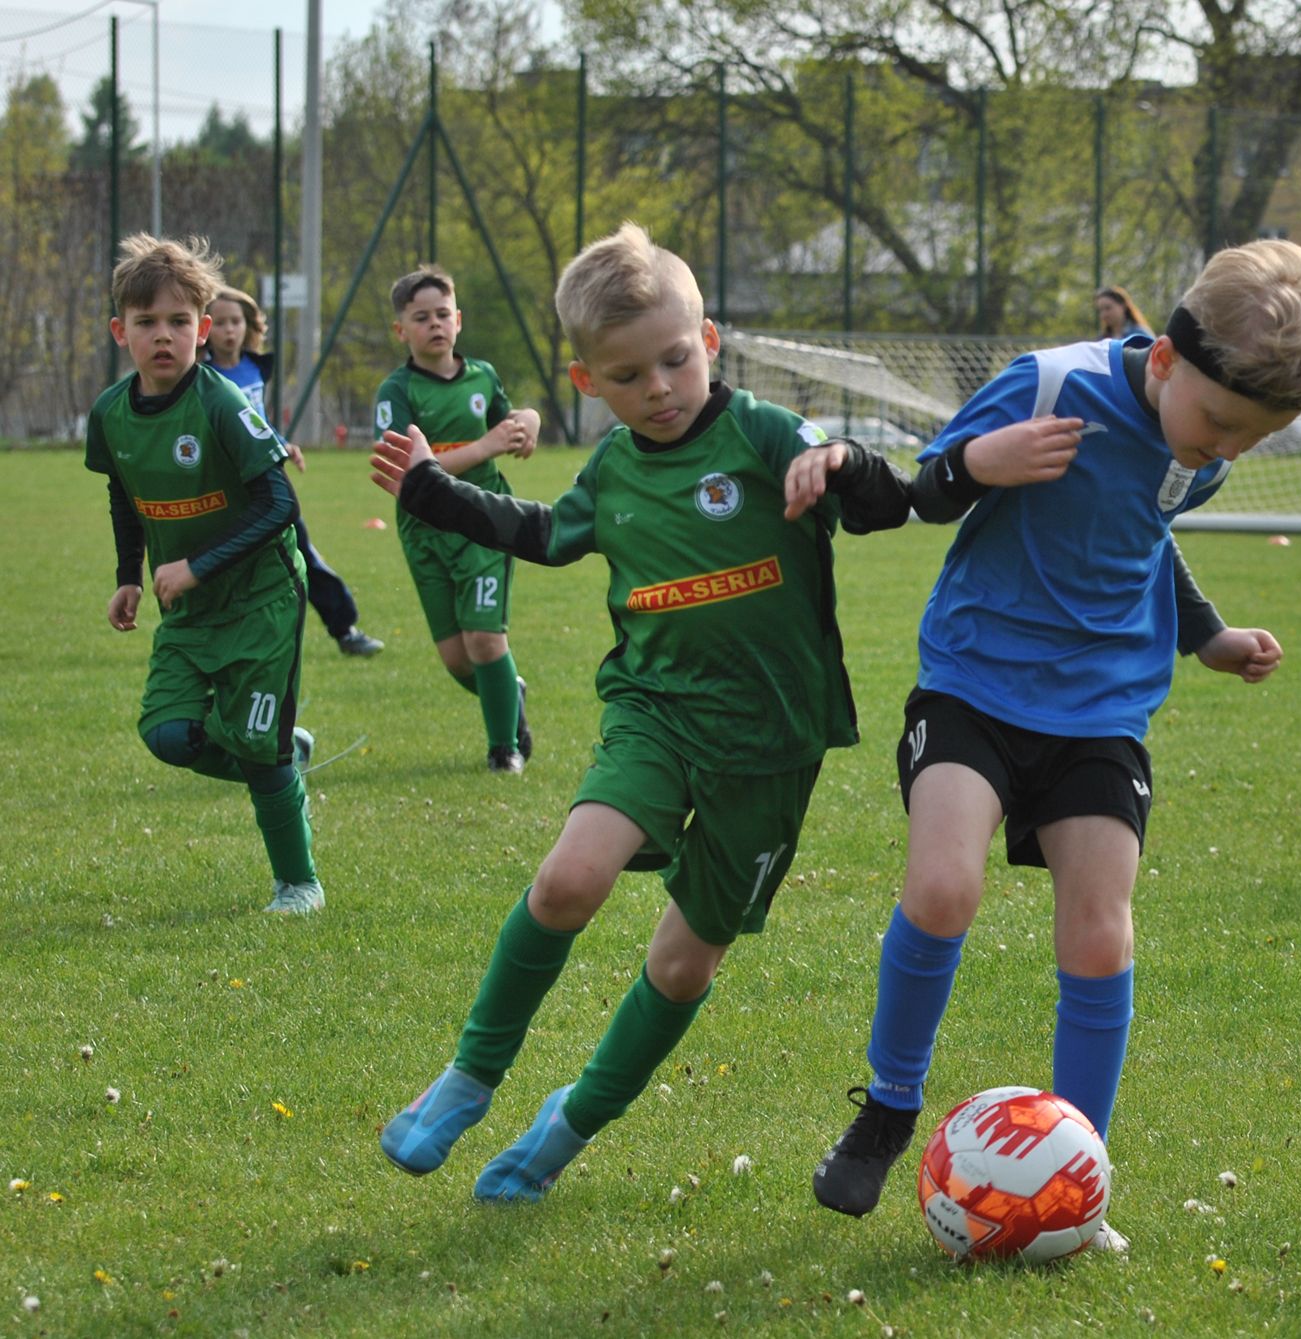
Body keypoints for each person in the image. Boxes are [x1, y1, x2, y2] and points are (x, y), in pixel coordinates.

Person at [807, 239, 1301, 1252]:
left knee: (1100, 930)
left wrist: (1208, 636)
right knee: (941, 889)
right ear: (1160, 362)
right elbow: (911, 496)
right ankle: (887, 1109)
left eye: (1249, 438)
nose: (1222, 451)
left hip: (1103, 708)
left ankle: (1077, 1169)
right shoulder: (1049, 383)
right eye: (1218, 425)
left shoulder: (1198, 453)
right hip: (974, 680)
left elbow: (1146, 533)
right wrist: (984, 462)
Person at [370, 222, 912, 1203]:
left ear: (708, 343)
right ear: (586, 383)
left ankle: (567, 1124)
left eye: (673, 359)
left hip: (772, 748)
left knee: (679, 961)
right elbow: (540, 533)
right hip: (654, 713)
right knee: (567, 879)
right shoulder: (615, 467)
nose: (657, 388)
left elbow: (887, 505)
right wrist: (430, 490)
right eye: (627, 375)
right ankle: (468, 1076)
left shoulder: (762, 434)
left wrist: (839, 463)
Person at [85, 234, 323, 914]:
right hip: (188, 608)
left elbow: (281, 504)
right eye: (147, 322)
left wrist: (197, 565)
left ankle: (298, 882)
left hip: (263, 599)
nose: (164, 336)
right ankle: (278, 748)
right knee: (168, 734)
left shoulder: (222, 403)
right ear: (119, 331)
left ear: (205, 328)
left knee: (256, 747)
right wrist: (129, 574)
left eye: (180, 322)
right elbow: (123, 494)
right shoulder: (109, 414)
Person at [374, 266, 541, 772]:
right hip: (424, 528)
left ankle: (504, 751)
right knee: (457, 659)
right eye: (420, 318)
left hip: (484, 519)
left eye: (443, 314)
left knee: (486, 641)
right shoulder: (397, 391)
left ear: (459, 319)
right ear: (402, 331)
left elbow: (509, 423)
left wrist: (528, 421)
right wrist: (485, 445)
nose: (435, 325)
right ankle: (507, 690)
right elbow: (410, 472)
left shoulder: (482, 377)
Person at [205, 285, 385, 658]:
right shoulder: (200, 375)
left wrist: (281, 444)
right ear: (204, 327)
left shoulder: (254, 367)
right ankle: (217, 642)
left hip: (265, 478)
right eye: (219, 322)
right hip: (224, 486)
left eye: (235, 321)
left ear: (248, 325)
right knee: (222, 562)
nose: (228, 330)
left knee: (300, 552)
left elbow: (256, 422)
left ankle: (345, 629)